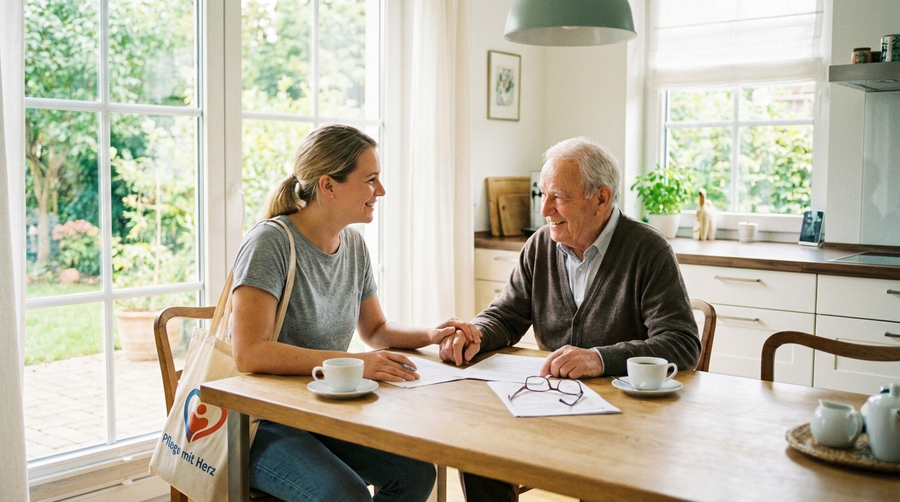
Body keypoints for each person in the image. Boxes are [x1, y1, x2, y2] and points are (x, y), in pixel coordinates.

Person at [439, 137, 701, 502]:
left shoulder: (648, 250)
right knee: (478, 448)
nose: (545, 209)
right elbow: (509, 313)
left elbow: (681, 342)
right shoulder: (540, 245)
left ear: (602, 198)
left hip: (625, 421)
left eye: (558, 196)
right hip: (553, 402)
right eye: (542, 194)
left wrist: (598, 358)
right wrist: (477, 333)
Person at [230, 124, 477, 502]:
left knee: (413, 474)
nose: (380, 191)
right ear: (328, 186)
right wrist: (355, 363)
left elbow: (375, 330)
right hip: (262, 423)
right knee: (346, 496)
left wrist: (431, 334)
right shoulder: (270, 242)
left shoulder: (354, 245)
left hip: (322, 412)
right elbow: (249, 354)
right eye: (371, 180)